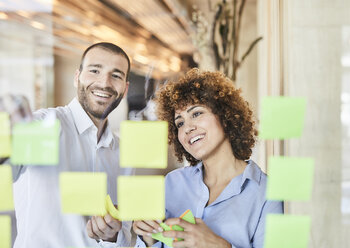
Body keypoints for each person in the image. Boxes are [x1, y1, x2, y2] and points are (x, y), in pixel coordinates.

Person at [132, 68, 283, 248]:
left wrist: (218, 245)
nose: (187, 128)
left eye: (196, 113)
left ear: (225, 115)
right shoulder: (172, 183)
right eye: (179, 123)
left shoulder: (267, 193)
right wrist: (150, 239)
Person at [8, 42, 133, 247]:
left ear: (125, 89)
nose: (104, 83)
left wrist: (111, 236)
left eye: (116, 75)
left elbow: (124, 235)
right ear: (77, 77)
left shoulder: (123, 153)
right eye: (95, 70)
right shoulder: (43, 126)